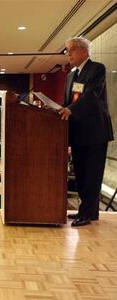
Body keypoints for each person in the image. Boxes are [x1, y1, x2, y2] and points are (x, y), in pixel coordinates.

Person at [59, 37, 114, 227]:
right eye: (67, 51)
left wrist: (71, 109)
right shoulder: (70, 76)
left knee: (92, 174)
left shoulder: (96, 69)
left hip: (95, 132)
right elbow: (68, 102)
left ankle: (89, 213)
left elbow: (91, 95)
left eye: (71, 50)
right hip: (78, 133)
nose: (68, 54)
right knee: (81, 174)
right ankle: (86, 211)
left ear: (83, 50)